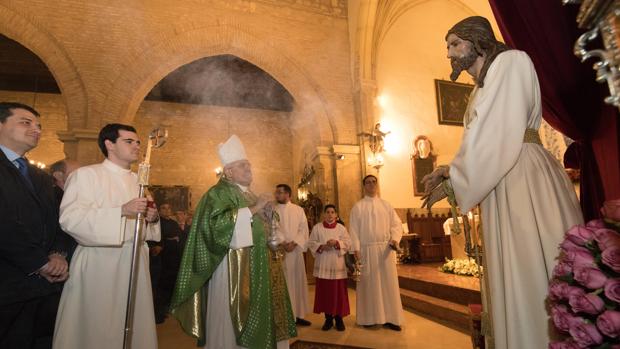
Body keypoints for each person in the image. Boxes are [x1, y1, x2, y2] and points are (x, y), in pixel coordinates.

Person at [421, 16, 583, 349]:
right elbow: (483, 138)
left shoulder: (511, 61)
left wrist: (455, 175)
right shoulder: (479, 88)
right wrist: (453, 170)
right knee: (514, 273)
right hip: (502, 175)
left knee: (530, 267)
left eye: (454, 44)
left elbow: (498, 132)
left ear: (477, 40)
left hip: (521, 173)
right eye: (448, 47)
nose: (450, 54)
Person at [171, 135, 296, 349]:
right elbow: (216, 227)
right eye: (242, 165)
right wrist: (257, 208)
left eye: (249, 164)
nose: (249, 168)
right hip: (231, 268)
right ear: (228, 171)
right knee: (231, 323)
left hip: (258, 263)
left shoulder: (248, 194)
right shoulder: (217, 193)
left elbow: (262, 226)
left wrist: (268, 215)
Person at [53, 123, 161, 349]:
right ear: (109, 144)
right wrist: (120, 211)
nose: (137, 146)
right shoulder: (86, 175)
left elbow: (145, 226)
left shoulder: (139, 182)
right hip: (100, 263)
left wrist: (152, 218)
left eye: (138, 142)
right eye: (129, 141)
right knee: (98, 325)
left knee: (133, 322)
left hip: (135, 262)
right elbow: (70, 219)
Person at [0, 102, 70, 349]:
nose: (36, 129)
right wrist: (39, 263)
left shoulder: (39, 175)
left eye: (39, 125)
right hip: (7, 284)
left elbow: (57, 220)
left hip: (43, 288)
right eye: (25, 122)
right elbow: (4, 225)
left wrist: (57, 253)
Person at [349, 174, 404, 331]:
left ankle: (391, 319)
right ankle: (369, 318)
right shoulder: (358, 207)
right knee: (369, 285)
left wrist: (395, 239)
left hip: (385, 251)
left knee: (389, 284)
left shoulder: (386, 205)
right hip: (366, 250)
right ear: (364, 186)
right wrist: (356, 249)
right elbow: (353, 230)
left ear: (377, 184)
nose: (371, 184)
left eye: (374, 182)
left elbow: (396, 225)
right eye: (368, 182)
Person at [307, 205, 351, 332]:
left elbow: (348, 242)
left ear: (336, 214)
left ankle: (339, 319)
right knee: (325, 293)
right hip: (323, 265)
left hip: (337, 265)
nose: (330, 214)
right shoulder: (317, 228)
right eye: (327, 212)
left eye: (332, 212)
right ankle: (328, 319)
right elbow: (311, 242)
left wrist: (337, 243)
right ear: (324, 214)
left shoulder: (341, 228)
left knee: (338, 293)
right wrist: (321, 246)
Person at [274, 183, 311, 326]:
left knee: (297, 281)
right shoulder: (274, 210)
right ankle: (285, 316)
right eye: (277, 193)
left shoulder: (298, 210)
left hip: (295, 252)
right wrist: (283, 243)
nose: (277, 195)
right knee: (284, 283)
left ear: (288, 195)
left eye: (280, 192)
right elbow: (273, 228)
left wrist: (294, 243)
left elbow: (303, 229)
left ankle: (299, 314)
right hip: (281, 251)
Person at [155, 202, 183, 323]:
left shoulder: (173, 222)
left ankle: (170, 307)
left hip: (175, 257)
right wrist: (171, 239)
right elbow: (159, 238)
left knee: (173, 282)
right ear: (160, 210)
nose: (167, 210)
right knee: (162, 284)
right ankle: (161, 310)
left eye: (169, 208)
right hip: (164, 257)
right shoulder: (158, 222)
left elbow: (180, 235)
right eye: (164, 208)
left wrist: (175, 238)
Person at [49, 158, 81, 261]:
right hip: (60, 258)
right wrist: (58, 254)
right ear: (58, 175)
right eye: (76, 173)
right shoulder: (52, 198)